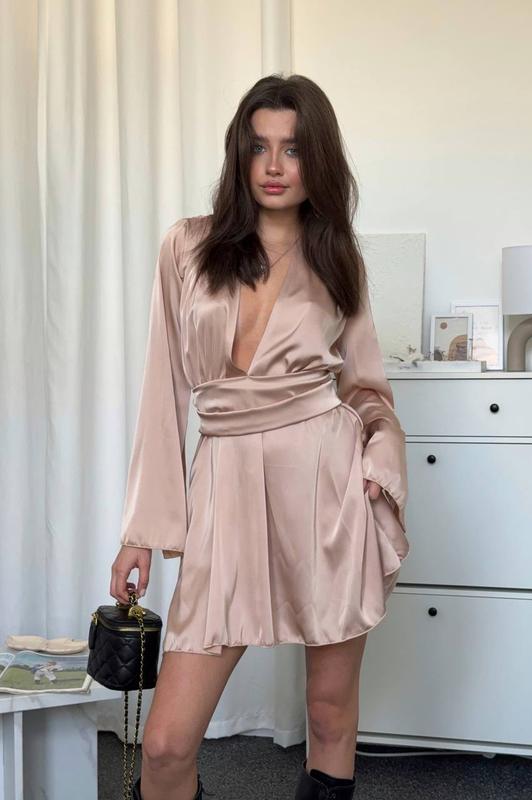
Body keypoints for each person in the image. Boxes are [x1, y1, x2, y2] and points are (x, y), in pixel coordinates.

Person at [110, 73, 409, 800]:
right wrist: (141, 532)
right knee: (166, 744)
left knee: (329, 714)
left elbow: (366, 391)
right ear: (238, 154)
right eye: (259, 147)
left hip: (326, 489)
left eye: (294, 149)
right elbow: (162, 391)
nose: (274, 166)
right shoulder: (187, 246)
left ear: (318, 160)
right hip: (225, 488)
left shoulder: (337, 258)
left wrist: (379, 456)